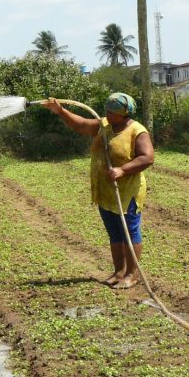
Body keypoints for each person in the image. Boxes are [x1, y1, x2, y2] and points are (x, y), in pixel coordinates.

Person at [42, 93, 154, 289]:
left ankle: (131, 274)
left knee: (129, 231)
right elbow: (81, 125)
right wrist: (60, 111)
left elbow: (147, 157)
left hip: (126, 191)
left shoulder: (137, 131)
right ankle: (118, 272)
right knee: (114, 233)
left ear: (124, 113)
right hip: (105, 191)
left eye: (112, 112)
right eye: (107, 110)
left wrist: (122, 169)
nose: (107, 114)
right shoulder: (104, 125)